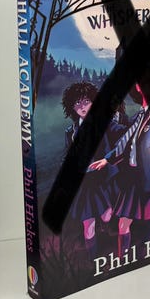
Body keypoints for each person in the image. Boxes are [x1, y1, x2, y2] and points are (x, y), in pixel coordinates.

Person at [90, 67, 150, 256]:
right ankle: (122, 259)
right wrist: (107, 160)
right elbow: (124, 142)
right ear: (137, 86)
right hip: (135, 180)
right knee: (123, 224)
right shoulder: (138, 116)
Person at [61, 81, 128, 259]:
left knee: (107, 215)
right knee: (88, 225)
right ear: (71, 107)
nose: (82, 107)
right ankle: (93, 260)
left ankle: (105, 228)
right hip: (84, 183)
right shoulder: (71, 131)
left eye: (86, 101)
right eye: (77, 103)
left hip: (105, 179)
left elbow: (124, 132)